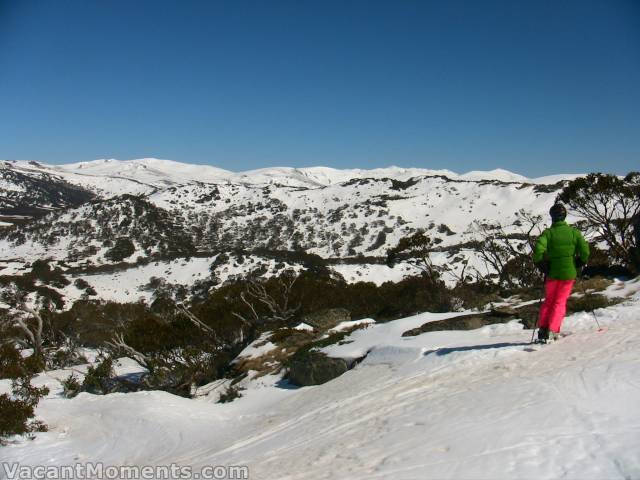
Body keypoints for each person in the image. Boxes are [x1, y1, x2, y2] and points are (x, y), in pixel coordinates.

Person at [532, 203, 590, 343]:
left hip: (552, 273)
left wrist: (542, 266)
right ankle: (552, 330)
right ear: (564, 216)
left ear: (552, 217)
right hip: (568, 274)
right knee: (559, 302)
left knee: (549, 301)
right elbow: (585, 252)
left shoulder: (548, 233)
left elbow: (538, 251)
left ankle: (542, 330)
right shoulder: (574, 233)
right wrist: (578, 263)